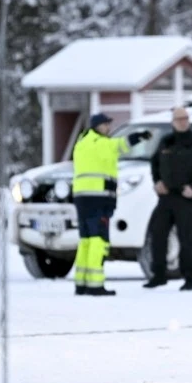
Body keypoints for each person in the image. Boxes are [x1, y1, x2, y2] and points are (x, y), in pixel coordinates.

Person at [71, 113, 151, 296]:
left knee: (86, 241)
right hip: (98, 198)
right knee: (99, 241)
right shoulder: (101, 143)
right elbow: (121, 145)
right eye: (105, 125)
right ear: (96, 126)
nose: (108, 128)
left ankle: (81, 283)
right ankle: (95, 285)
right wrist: (139, 136)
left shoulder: (81, 143)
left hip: (81, 198)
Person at [143, 106, 192, 291]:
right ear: (173, 122)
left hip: (186, 197)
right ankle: (158, 275)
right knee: (158, 234)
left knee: (187, 239)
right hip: (166, 196)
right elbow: (154, 164)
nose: (183, 122)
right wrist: (157, 182)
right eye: (179, 119)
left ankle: (189, 278)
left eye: (185, 118)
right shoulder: (166, 141)